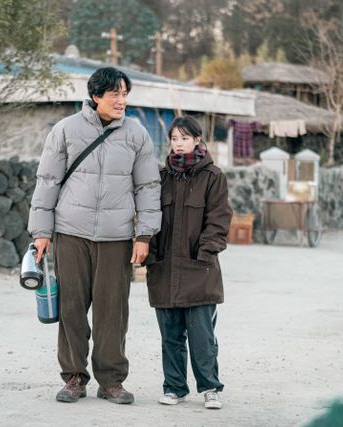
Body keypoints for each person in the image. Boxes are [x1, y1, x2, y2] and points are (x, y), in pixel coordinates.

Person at [28, 67, 161, 404]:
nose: (121, 101)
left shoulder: (137, 134)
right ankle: (74, 377)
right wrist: (41, 232)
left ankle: (111, 381)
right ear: (96, 95)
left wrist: (144, 234)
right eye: (115, 94)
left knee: (112, 311)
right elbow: (47, 182)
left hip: (117, 237)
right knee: (71, 307)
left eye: (125, 94)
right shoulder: (65, 130)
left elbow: (148, 187)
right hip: (71, 232)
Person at [144, 115, 233, 409]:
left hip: (199, 268)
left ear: (197, 140)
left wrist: (206, 252)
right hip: (165, 268)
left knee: (201, 335)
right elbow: (149, 216)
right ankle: (174, 387)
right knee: (170, 335)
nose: (179, 144)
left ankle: (210, 388)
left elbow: (219, 218)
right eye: (174, 138)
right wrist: (150, 253)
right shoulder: (161, 177)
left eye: (184, 138)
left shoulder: (213, 176)